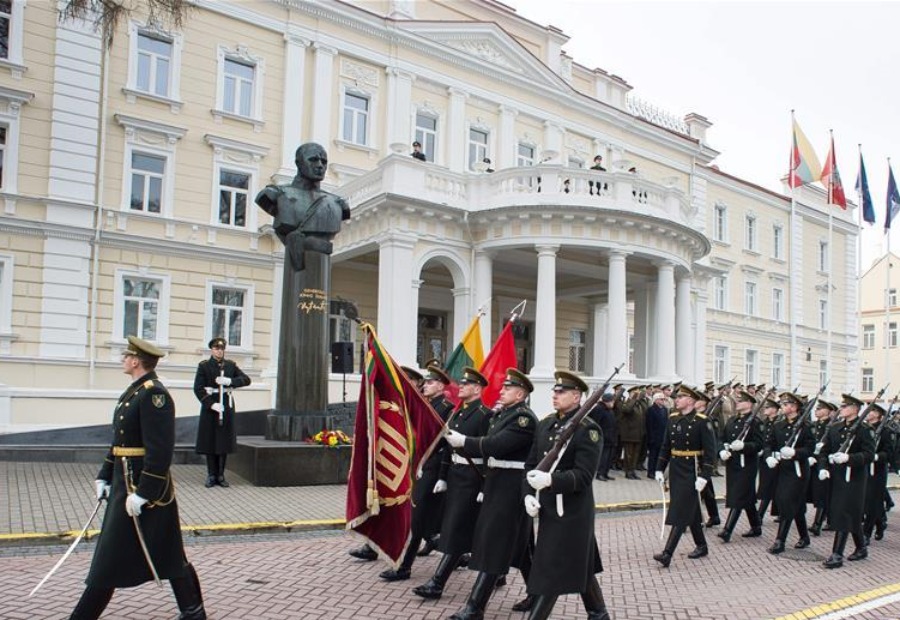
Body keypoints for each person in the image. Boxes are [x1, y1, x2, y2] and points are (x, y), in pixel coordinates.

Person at [69, 336, 205, 620]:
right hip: (125, 486)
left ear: (135, 361)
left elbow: (160, 451)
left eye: (126, 356)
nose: (122, 359)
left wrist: (145, 492)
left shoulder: (155, 395)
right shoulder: (134, 392)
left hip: (145, 491)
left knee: (110, 558)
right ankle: (193, 612)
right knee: (168, 553)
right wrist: (104, 475)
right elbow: (119, 442)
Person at [445, 368, 538, 619]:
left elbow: (497, 445)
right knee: (522, 548)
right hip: (498, 483)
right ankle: (538, 594)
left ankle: (475, 607)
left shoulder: (523, 419)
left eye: (508, 388)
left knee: (495, 544)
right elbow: (492, 452)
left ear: (520, 394)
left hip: (511, 487)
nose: (502, 391)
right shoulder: (502, 415)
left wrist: (464, 441)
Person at [523, 371, 609, 620]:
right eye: (554, 391)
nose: (555, 395)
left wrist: (551, 480)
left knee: (552, 569)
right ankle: (598, 613)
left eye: (561, 392)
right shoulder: (546, 423)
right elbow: (531, 464)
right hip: (549, 508)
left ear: (576, 396)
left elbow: (583, 476)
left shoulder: (588, 430)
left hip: (572, 512)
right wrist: (528, 494)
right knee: (580, 564)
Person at [412, 367, 490, 600]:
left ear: (477, 389)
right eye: (462, 383)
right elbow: (447, 447)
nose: (461, 387)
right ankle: (497, 571)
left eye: (466, 385)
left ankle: (437, 583)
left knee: (458, 529)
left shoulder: (485, 415)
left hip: (472, 479)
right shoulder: (458, 413)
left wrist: (485, 487)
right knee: (467, 529)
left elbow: (489, 452)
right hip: (456, 477)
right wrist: (443, 477)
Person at [378, 364, 455, 580]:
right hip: (418, 466)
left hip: (431, 467)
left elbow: (445, 444)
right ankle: (449, 548)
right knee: (423, 517)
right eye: (426, 382)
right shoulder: (425, 404)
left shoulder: (446, 408)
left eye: (430, 382)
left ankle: (404, 567)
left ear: (440, 386)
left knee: (417, 518)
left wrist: (442, 475)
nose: (425, 385)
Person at [255, 142, 351, 272]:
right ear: (298, 163)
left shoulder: (336, 203)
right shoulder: (275, 194)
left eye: (324, 162)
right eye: (313, 160)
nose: (319, 165)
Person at [653, 385, 717, 568]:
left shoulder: (702, 421)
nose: (677, 399)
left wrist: (705, 476)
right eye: (677, 397)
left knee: (681, 510)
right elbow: (666, 446)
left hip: (692, 470)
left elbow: (710, 452)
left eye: (681, 397)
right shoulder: (673, 419)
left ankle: (667, 553)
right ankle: (702, 545)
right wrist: (659, 469)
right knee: (691, 510)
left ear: (690, 400)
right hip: (676, 469)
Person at [193, 337, 251, 488]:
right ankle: (211, 475)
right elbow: (198, 388)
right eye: (216, 348)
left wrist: (230, 381)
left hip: (226, 404)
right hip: (211, 406)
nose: (219, 351)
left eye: (221, 348)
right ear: (211, 350)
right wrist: (211, 404)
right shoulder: (204, 366)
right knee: (210, 440)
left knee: (223, 440)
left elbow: (246, 380)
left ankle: (220, 474)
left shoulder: (230, 365)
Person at [764, 392, 815, 554]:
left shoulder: (805, 427)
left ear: (794, 407)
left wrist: (795, 452)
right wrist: (768, 457)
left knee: (786, 503)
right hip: (782, 470)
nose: (783, 407)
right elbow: (768, 444)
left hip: (798, 471)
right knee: (796, 505)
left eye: (786, 405)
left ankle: (780, 541)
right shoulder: (778, 425)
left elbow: (810, 449)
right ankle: (805, 537)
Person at [716, 391, 764, 542]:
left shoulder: (755, 422)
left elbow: (759, 444)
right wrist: (721, 450)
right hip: (733, 462)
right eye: (737, 400)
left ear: (749, 404)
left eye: (741, 401)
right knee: (746, 496)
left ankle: (727, 530)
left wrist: (744, 446)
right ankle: (756, 526)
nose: (737, 403)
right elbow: (721, 438)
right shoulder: (731, 420)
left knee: (738, 495)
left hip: (747, 464)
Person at [863, 403, 894, 545]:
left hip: (877, 470)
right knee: (867, 501)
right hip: (864, 468)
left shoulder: (886, 431)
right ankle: (880, 523)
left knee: (872, 502)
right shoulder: (863, 428)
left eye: (872, 410)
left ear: (879, 415)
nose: (869, 412)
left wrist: (876, 457)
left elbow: (889, 452)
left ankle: (866, 533)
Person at [808, 400, 837, 536]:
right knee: (818, 492)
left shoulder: (832, 426)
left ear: (828, 411)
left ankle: (817, 524)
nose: (817, 411)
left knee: (823, 492)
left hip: (825, 463)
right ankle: (829, 520)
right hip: (813, 461)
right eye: (817, 409)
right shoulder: (814, 425)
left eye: (820, 409)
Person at [693, 393, 721, 527]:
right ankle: (714, 516)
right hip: (695, 458)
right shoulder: (694, 416)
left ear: (703, 403)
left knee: (703, 490)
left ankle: (696, 519)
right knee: (706, 490)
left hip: (703, 459)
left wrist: (709, 462)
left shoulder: (707, 419)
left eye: (697, 400)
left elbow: (711, 442)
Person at [756, 398, 780, 523]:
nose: (765, 409)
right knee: (767, 485)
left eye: (767, 407)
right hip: (764, 458)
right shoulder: (764, 423)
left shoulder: (779, 422)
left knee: (770, 486)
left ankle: (759, 515)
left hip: (776, 459)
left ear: (774, 410)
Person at [618, 386, 647, 480]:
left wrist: (640, 398)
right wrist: (633, 398)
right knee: (629, 454)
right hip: (629, 434)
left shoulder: (639, 404)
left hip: (638, 434)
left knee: (636, 454)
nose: (638, 394)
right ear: (630, 393)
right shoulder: (627, 403)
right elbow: (627, 410)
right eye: (635, 393)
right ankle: (628, 472)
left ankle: (632, 471)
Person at [590, 392, 618, 481]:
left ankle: (605, 473)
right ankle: (600, 474)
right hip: (603, 438)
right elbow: (595, 424)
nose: (613, 403)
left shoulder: (609, 410)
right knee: (603, 458)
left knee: (609, 458)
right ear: (607, 401)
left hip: (610, 438)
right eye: (612, 401)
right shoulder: (599, 409)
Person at [645, 391, 669, 480]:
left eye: (663, 399)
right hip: (654, 437)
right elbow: (649, 425)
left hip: (662, 437)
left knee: (660, 456)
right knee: (653, 456)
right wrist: (651, 438)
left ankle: (657, 471)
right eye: (661, 399)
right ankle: (650, 472)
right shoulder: (651, 410)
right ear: (656, 400)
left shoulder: (665, 409)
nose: (663, 401)